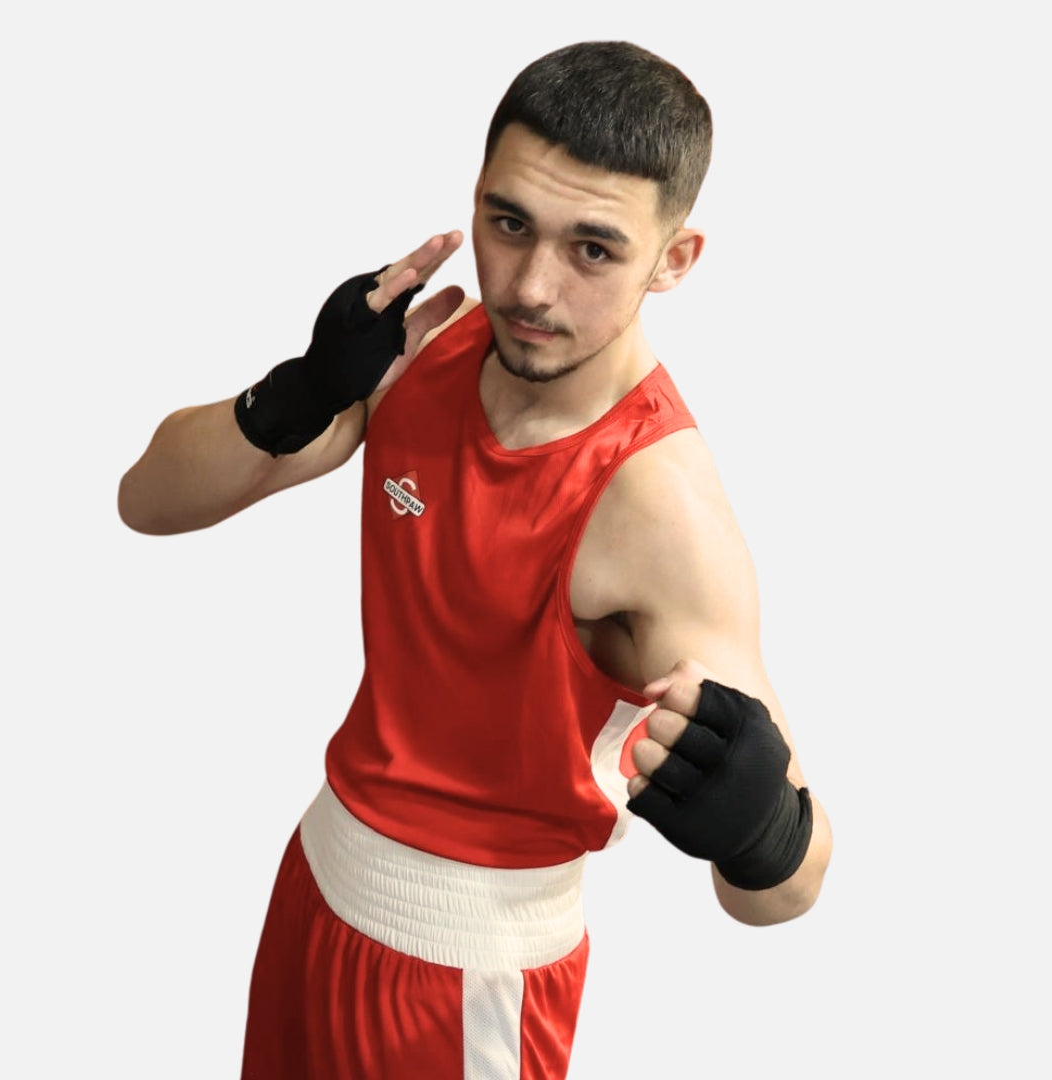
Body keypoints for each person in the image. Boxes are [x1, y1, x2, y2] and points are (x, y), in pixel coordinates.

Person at [118, 39, 832, 1080]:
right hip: (319, 881)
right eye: (509, 225)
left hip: (469, 977)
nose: (532, 288)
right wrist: (296, 395)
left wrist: (759, 825)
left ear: (672, 260)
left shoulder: (655, 507)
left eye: (594, 249)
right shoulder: (432, 347)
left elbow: (784, 892)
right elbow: (148, 503)